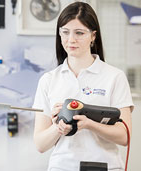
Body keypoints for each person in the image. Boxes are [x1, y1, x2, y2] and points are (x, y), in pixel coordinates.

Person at [32, 2, 134, 171]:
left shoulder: (114, 77)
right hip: (62, 167)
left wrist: (88, 124)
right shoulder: (49, 80)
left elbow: (124, 136)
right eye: (65, 32)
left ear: (93, 36)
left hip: (105, 166)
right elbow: (40, 144)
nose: (71, 39)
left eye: (79, 33)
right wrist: (59, 126)